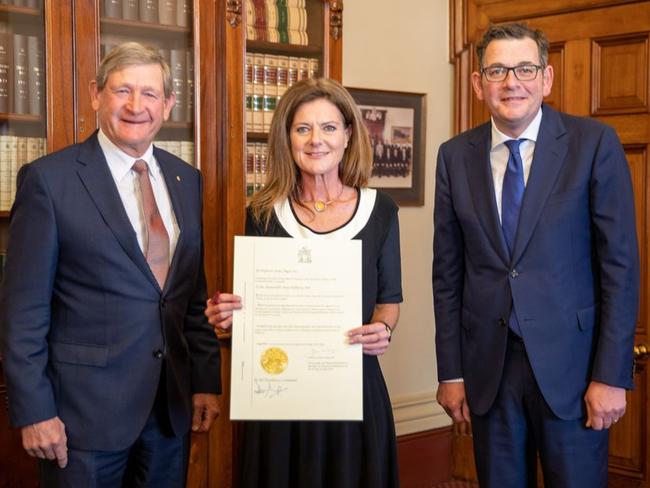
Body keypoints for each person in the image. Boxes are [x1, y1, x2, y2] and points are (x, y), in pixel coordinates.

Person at [0, 42, 221, 487]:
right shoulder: (49, 181)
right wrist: (35, 410)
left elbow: (189, 294)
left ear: (169, 104)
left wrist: (204, 380)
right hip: (82, 420)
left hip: (168, 412)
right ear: (96, 94)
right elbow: (22, 313)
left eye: (150, 94)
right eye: (123, 91)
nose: (136, 106)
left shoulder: (186, 180)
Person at [433, 22, 640, 487]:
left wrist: (611, 375)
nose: (512, 82)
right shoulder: (453, 157)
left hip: (576, 373)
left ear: (546, 79)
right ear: (478, 83)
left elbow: (620, 270)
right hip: (489, 374)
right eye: (498, 70)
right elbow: (447, 276)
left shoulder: (593, 145)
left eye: (525, 69)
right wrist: (451, 372)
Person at [206, 77, 402, 487]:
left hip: (353, 393)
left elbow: (389, 299)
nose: (317, 140)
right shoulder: (261, 213)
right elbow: (253, 308)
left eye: (329, 127)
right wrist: (229, 314)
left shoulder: (380, 210)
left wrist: (382, 328)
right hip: (281, 400)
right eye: (303, 128)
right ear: (288, 138)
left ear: (349, 135)